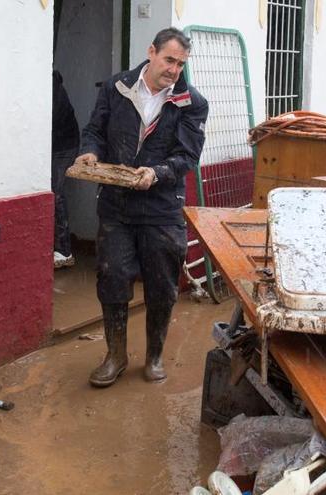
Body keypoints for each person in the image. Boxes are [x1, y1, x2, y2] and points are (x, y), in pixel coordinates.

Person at [76, 27, 209, 387]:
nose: (174, 70)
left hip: (162, 207)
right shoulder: (117, 88)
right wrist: (89, 152)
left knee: (163, 285)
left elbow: (187, 156)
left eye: (181, 64)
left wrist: (158, 172)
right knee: (113, 277)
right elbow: (95, 131)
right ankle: (115, 355)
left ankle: (154, 357)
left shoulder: (191, 103)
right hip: (117, 205)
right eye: (169, 60)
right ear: (151, 52)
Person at [52, 70, 80, 269]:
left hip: (63, 145)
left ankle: (63, 251)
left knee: (55, 193)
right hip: (53, 144)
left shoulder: (50, 84)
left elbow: (50, 120)